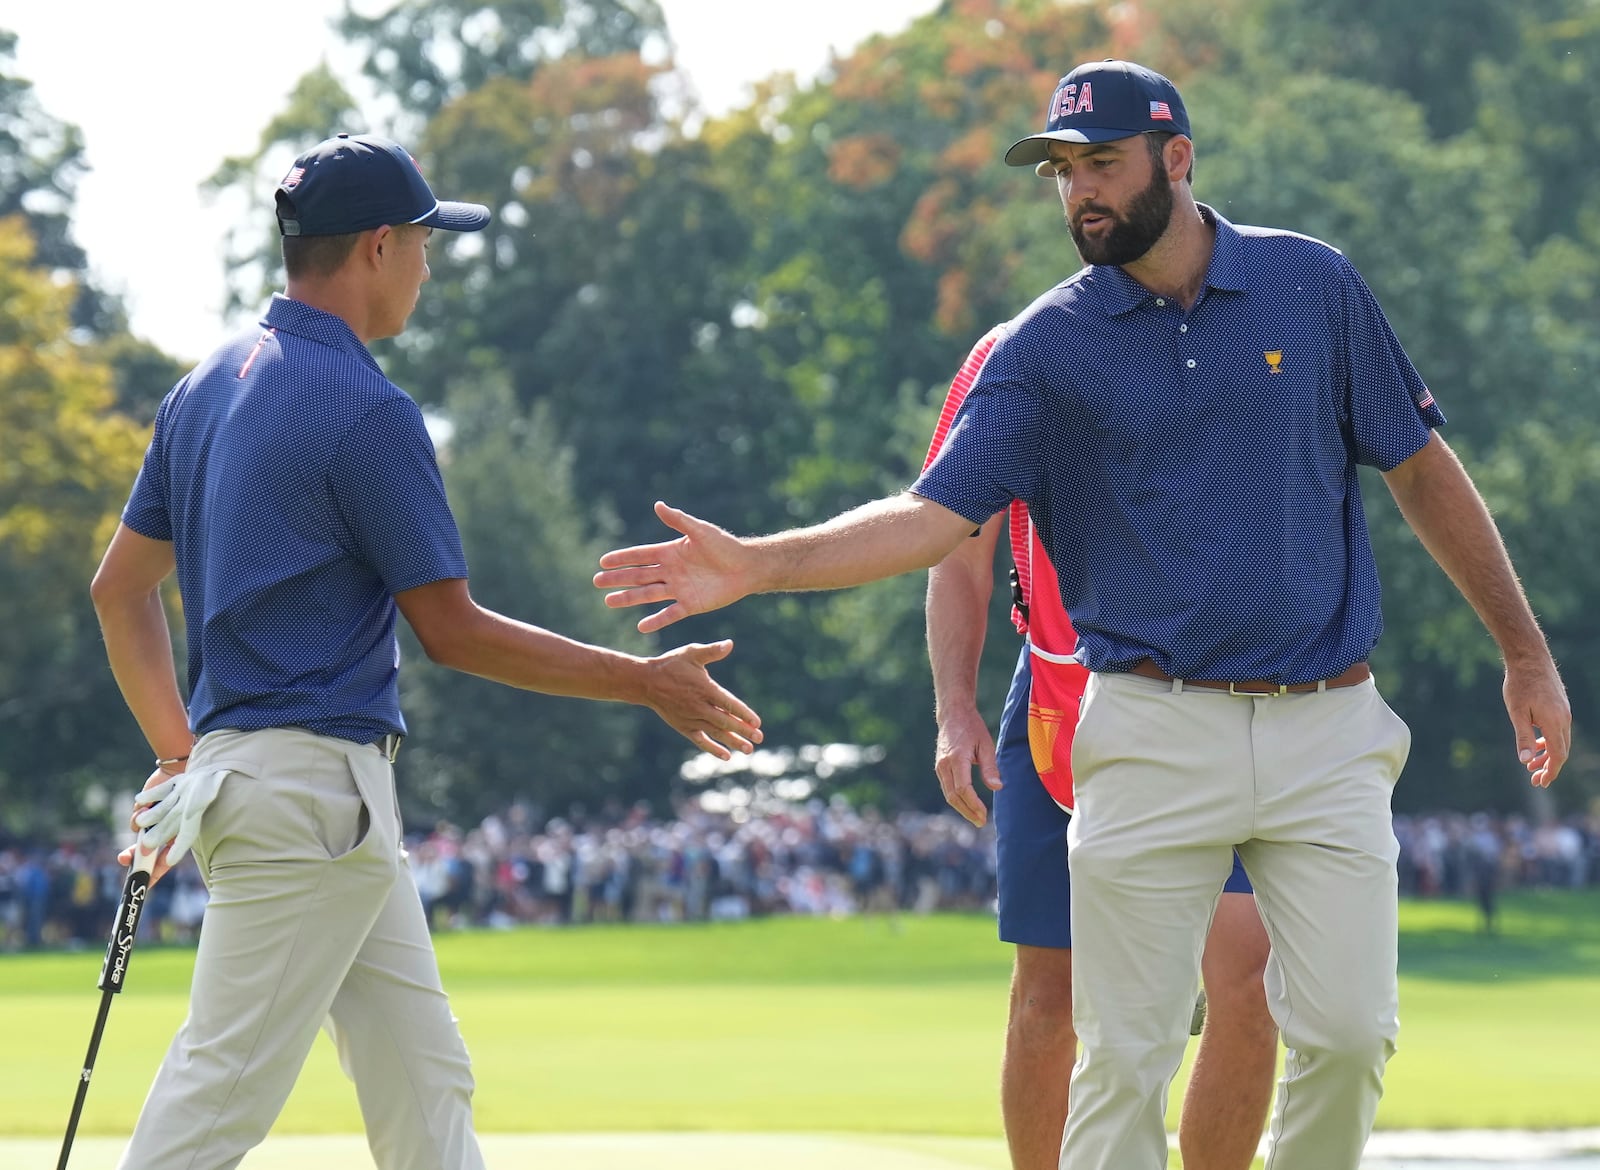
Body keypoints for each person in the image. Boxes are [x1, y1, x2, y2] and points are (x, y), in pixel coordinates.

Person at [593, 59, 1569, 1170]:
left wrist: (1522, 653)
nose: (1079, 194)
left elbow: (1422, 471)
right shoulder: (1044, 348)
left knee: (1348, 1038)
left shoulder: (1314, 288)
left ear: (1179, 160)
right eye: (1061, 172)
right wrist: (762, 564)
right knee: (1125, 1058)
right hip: (1149, 731)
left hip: (1328, 726)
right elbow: (932, 519)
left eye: (1100, 164)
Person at [89, 131, 762, 1170]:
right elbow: (452, 632)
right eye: (421, 243)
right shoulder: (367, 408)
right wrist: (641, 683)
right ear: (373, 250)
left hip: (296, 795)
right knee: (218, 1092)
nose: (427, 266)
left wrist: (184, 754)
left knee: (422, 1078)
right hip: (312, 795)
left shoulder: (205, 386)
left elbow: (120, 591)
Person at [924, 332, 1277, 1170]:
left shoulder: (1246, 335)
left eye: (1102, 184)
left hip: (1217, 700)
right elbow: (955, 546)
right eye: (1072, 187)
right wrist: (953, 707)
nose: (1086, 195)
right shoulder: (1009, 356)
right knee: (1050, 1003)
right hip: (1058, 701)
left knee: (1250, 979)